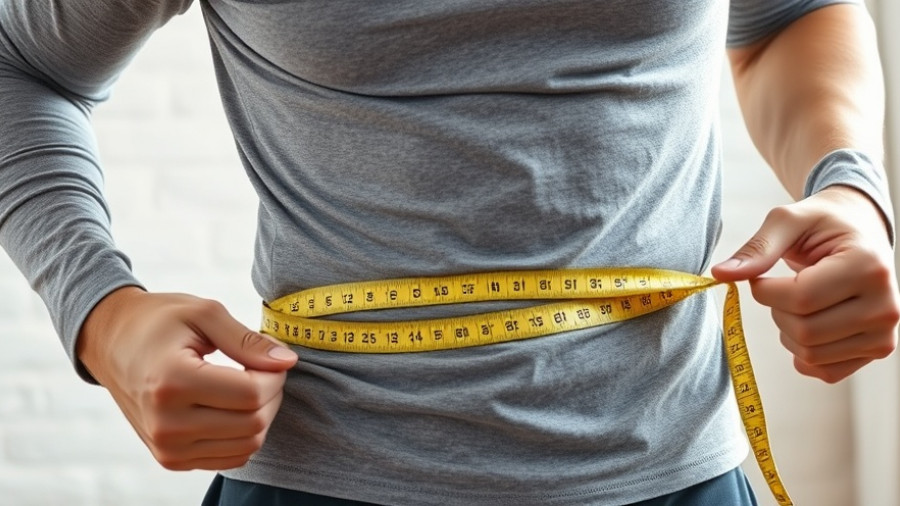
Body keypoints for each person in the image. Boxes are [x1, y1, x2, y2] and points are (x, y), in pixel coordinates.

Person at [0, 1, 896, 504]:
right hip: (324, 485)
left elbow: (790, 15)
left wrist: (849, 184)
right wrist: (103, 314)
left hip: (672, 477)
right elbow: (21, 63)